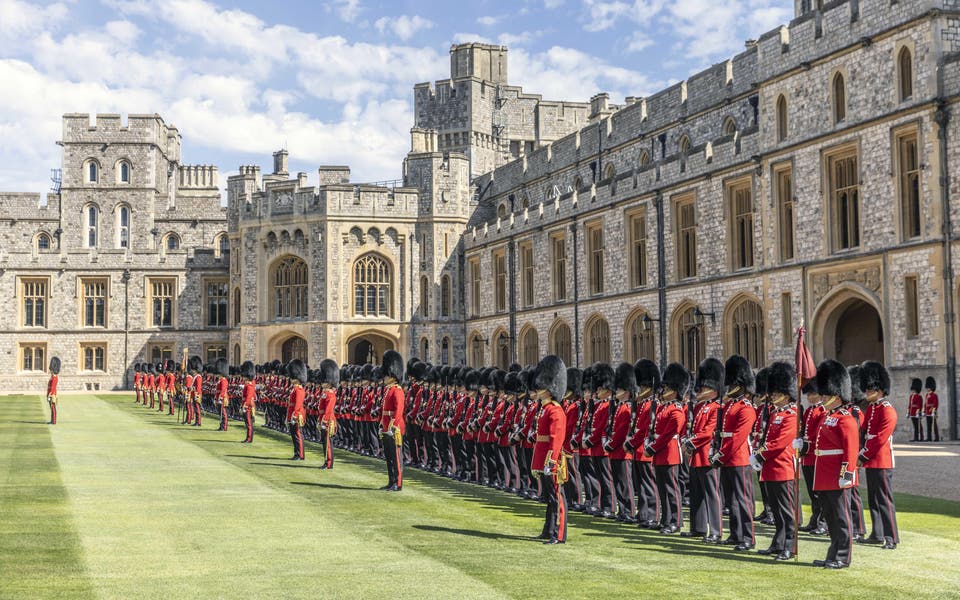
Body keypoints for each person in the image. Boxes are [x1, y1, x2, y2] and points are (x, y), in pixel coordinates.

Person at [810, 359, 859, 569]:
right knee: (830, 517)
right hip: (824, 473)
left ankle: (842, 556)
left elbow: (851, 449)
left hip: (837, 475)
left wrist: (846, 473)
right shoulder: (827, 416)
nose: (822, 398)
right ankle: (832, 553)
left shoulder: (845, 419)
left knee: (841, 517)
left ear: (837, 395)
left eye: (826, 395)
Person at [752, 361, 798, 561]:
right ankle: (778, 543)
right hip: (770, 467)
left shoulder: (791, 415)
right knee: (777, 511)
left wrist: (760, 454)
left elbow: (779, 442)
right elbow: (767, 439)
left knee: (787, 512)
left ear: (786, 395)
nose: (772, 397)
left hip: (783, 467)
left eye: (776, 394)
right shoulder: (775, 413)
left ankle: (790, 546)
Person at [713, 355, 757, 551]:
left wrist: (721, 454)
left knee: (743, 499)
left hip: (738, 458)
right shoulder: (729, 405)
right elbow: (723, 433)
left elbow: (738, 437)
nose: (729, 387)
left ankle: (748, 537)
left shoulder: (746, 408)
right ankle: (735, 533)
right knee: (731, 500)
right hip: (727, 457)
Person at [858, 361, 900, 549]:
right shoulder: (873, 409)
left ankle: (891, 537)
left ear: (880, 390)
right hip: (870, 460)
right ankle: (877, 533)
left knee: (884, 500)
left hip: (881, 461)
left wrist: (863, 455)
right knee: (874, 499)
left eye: (870, 389)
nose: (867, 393)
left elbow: (879, 439)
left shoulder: (887, 411)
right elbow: (864, 432)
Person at [682, 357, 723, 542]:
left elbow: (708, 432)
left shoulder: (716, 408)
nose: (701, 390)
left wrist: (690, 443)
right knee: (697, 494)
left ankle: (716, 530)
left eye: (704, 387)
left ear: (714, 389)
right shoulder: (700, 407)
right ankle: (698, 527)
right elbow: (694, 429)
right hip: (695, 456)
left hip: (707, 455)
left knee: (711, 495)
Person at [645, 363, 689, 534]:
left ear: (675, 390)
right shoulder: (664, 407)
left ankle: (675, 521)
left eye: (667, 388)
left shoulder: (676, 410)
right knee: (662, 489)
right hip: (660, 452)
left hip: (669, 453)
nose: (664, 390)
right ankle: (665, 519)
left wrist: (652, 447)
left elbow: (668, 434)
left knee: (672, 489)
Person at [531, 355, 568, 544]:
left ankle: (559, 534)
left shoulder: (555, 410)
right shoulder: (545, 409)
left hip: (550, 460)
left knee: (557, 498)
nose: (538, 390)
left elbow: (556, 439)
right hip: (543, 458)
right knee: (549, 498)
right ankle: (548, 530)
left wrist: (551, 462)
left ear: (550, 388)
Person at [607, 363, 636, 523]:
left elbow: (621, 431)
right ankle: (622, 510)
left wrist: (611, 443)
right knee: (619, 483)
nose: (616, 392)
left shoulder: (626, 409)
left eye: (619, 390)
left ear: (626, 391)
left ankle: (629, 511)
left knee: (625, 484)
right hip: (615, 450)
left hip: (622, 451)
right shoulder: (620, 407)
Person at [379, 350, 406, 491]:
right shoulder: (388, 390)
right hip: (386, 426)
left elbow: (399, 410)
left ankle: (398, 483)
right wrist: (381, 425)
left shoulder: (397, 390)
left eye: (387, 374)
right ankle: (391, 480)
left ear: (393, 375)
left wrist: (393, 425)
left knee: (396, 457)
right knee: (389, 456)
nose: (384, 377)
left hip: (394, 428)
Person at [318, 358, 340, 469]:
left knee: (328, 443)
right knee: (324, 442)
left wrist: (325, 420)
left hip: (328, 420)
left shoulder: (330, 394)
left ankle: (329, 462)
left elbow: (329, 409)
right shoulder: (325, 393)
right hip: (323, 418)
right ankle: (326, 461)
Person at [286, 360, 307, 460]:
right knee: (294, 435)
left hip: (297, 414)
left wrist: (295, 415)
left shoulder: (299, 390)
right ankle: (296, 453)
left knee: (298, 434)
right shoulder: (294, 389)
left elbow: (298, 404)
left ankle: (300, 454)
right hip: (292, 413)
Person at [240, 361, 257, 443]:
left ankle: (249, 438)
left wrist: (245, 406)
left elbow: (249, 397)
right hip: (246, 405)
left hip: (248, 406)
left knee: (249, 423)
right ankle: (248, 437)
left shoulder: (249, 385)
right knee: (247, 423)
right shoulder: (248, 384)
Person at [923, 376, 940, 442]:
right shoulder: (927, 395)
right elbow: (925, 403)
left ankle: (937, 438)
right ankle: (929, 438)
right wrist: (924, 410)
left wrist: (933, 411)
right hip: (927, 411)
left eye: (929, 387)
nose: (928, 388)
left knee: (934, 425)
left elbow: (935, 404)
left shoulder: (934, 395)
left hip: (933, 411)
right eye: (927, 387)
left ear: (932, 387)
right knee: (928, 426)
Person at [907, 378, 924, 442]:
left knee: (918, 426)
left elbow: (920, 405)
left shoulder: (919, 396)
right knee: (915, 426)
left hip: (917, 413)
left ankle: (920, 437)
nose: (913, 390)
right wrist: (908, 412)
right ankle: (915, 438)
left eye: (914, 389)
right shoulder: (911, 396)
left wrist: (918, 412)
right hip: (912, 412)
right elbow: (910, 405)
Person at [47, 356, 60, 425]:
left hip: (52, 394)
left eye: (51, 369)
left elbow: (53, 387)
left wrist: (50, 394)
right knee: (51, 408)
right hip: (51, 393)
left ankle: (54, 421)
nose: (50, 370)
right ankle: (52, 420)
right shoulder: (52, 377)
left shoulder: (54, 377)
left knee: (53, 408)